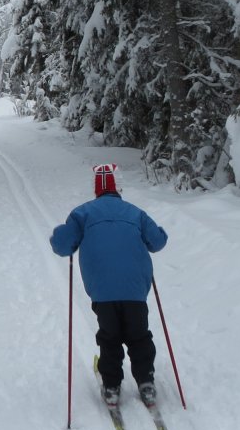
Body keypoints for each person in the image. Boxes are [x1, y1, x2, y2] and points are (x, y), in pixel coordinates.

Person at [50, 163, 169, 407]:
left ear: (97, 189)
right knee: (139, 335)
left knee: (110, 336)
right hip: (136, 288)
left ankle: (112, 387)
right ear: (118, 188)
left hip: (102, 290)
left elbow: (62, 246)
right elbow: (156, 242)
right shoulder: (135, 213)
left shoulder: (82, 213)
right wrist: (160, 233)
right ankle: (146, 384)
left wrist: (60, 234)